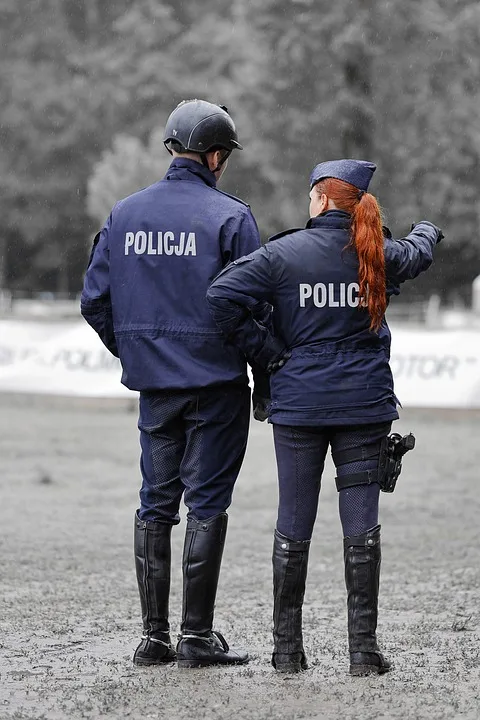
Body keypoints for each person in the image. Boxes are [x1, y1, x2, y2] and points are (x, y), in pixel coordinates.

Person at [207, 159, 443, 675]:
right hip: (364, 407)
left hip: (299, 408)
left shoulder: (282, 254)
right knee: (361, 527)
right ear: (358, 205)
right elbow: (419, 252)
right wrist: (427, 228)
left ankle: (287, 652)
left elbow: (220, 295)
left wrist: (267, 351)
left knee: (294, 523)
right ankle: (363, 652)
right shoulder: (376, 252)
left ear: (319, 199)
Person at [81, 99, 269, 669]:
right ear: (215, 155)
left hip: (155, 388)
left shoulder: (123, 213)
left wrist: (139, 349)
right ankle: (195, 635)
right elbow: (256, 307)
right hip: (217, 387)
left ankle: (153, 637)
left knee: (155, 504)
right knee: (207, 503)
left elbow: (95, 302)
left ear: (171, 149)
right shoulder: (232, 218)